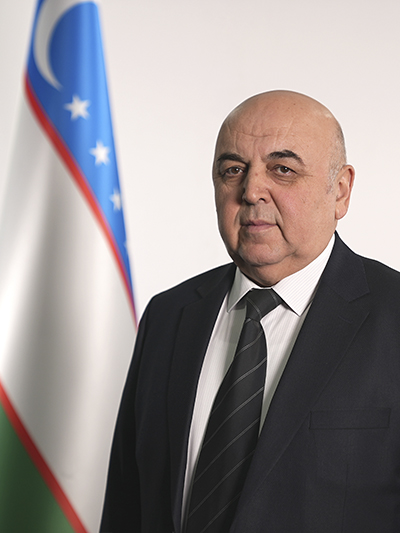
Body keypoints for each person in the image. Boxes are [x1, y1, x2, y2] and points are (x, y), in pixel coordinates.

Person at [100, 91, 400, 532]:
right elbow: (127, 509)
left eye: (283, 169)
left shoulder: (392, 318)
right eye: (233, 170)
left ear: (340, 190)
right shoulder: (168, 317)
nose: (252, 190)